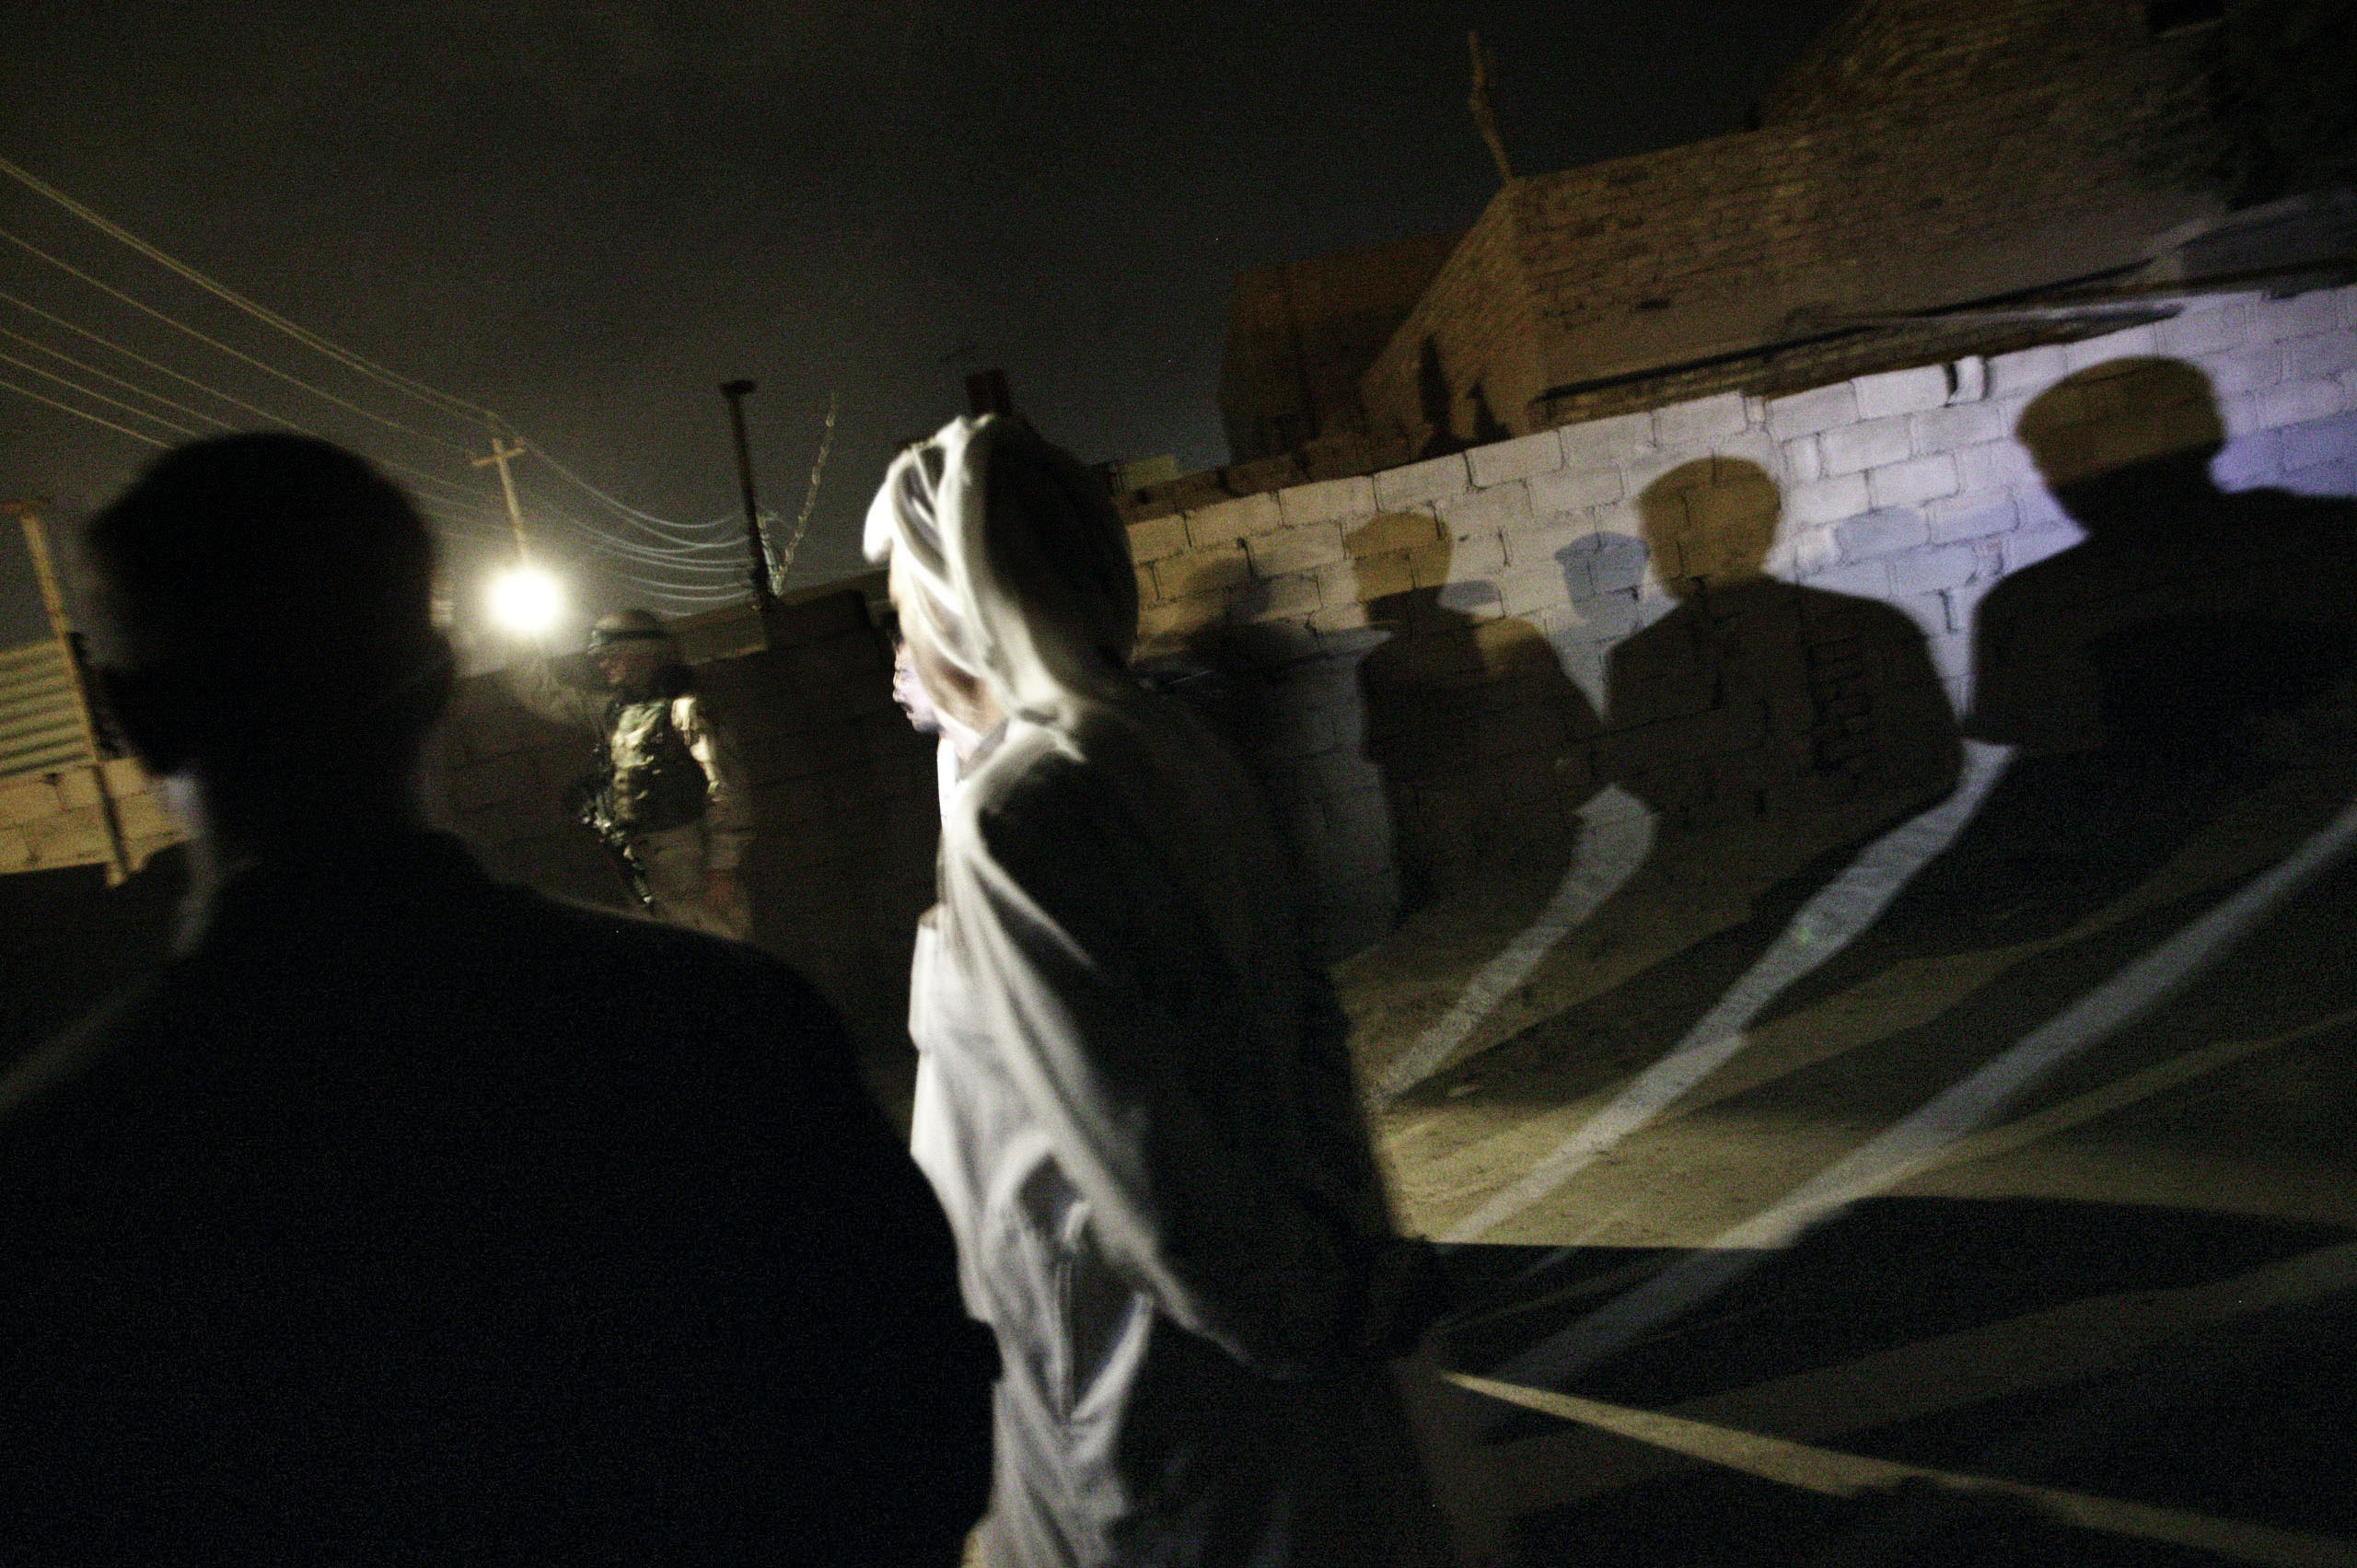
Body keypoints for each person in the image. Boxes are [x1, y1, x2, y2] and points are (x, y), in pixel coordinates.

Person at [0, 434, 994, 1564]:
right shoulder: (727, 1032)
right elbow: (921, 1422)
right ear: (435, 678)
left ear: (127, 715)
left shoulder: (55, 1172)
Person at [866, 414, 1453, 1568]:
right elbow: (1308, 1030)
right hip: (1258, 1301)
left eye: (906, 600)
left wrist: (1297, 1316)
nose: (901, 632)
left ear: (953, 598)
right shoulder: (1164, 743)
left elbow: (1135, 1152)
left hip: (1142, 1352)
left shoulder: (1023, 814)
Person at [508, 608, 754, 938]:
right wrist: (517, 633)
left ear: (643, 656)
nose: (602, 664)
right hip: (642, 861)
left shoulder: (685, 711)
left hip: (689, 857)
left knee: (720, 945)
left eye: (612, 655)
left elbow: (726, 787)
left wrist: (722, 866)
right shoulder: (615, 712)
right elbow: (546, 696)